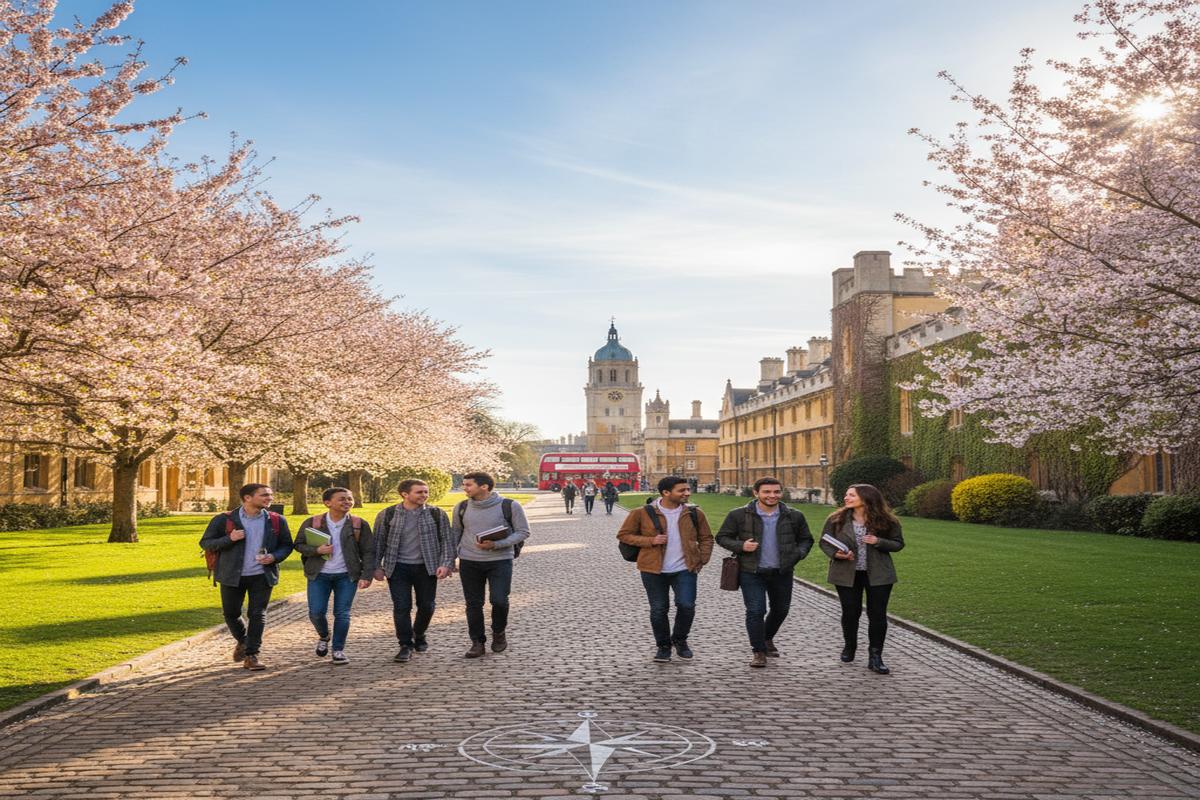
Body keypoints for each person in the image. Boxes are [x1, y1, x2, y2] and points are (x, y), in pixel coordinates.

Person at [715, 477, 814, 668]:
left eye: (776, 492)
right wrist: (741, 545)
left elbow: (806, 539)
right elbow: (722, 537)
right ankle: (758, 651)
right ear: (756, 493)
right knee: (756, 610)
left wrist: (798, 554)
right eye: (767, 492)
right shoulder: (739, 515)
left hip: (782, 571)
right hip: (751, 571)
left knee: (781, 610)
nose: (772, 496)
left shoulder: (794, 515)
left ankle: (767, 637)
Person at [617, 475, 713, 663]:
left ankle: (680, 639)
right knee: (659, 609)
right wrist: (650, 540)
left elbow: (707, 537)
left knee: (687, 606)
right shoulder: (641, 513)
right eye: (682, 490)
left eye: (687, 489)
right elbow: (624, 535)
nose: (687, 493)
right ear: (666, 493)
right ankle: (663, 646)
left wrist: (702, 559)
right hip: (653, 569)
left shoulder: (694, 513)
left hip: (685, 568)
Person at [199, 484, 293, 671]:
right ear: (247, 498)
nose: (269, 498)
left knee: (257, 614)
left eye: (270, 494)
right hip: (231, 574)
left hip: (262, 574)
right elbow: (206, 542)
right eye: (264, 495)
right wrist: (230, 539)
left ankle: (252, 655)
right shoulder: (223, 520)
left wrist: (274, 557)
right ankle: (244, 641)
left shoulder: (276, 520)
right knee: (231, 614)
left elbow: (286, 545)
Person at [817, 483, 905, 674]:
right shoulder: (836, 519)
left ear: (866, 498)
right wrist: (836, 554)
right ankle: (850, 646)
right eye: (846, 494)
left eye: (851, 495)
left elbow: (898, 544)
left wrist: (879, 541)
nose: (846, 498)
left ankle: (875, 656)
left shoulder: (887, 520)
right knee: (850, 612)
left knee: (878, 615)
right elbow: (824, 542)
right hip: (846, 573)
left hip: (879, 574)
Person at [373, 478, 455, 662]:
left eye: (426, 492)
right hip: (397, 568)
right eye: (420, 492)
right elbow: (378, 543)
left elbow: (447, 541)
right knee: (401, 607)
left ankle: (419, 634)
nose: (424, 495)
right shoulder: (387, 514)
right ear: (405, 494)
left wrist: (445, 564)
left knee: (427, 606)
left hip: (427, 567)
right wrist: (376, 567)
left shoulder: (437, 514)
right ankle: (405, 645)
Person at [453, 471, 531, 658]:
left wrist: (497, 544)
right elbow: (454, 534)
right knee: (473, 604)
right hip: (469, 562)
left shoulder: (510, 505)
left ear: (484, 487)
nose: (464, 488)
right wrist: (450, 560)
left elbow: (523, 532)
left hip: (500, 561)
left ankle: (498, 633)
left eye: (468, 485)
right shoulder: (461, 507)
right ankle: (477, 642)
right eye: (464, 484)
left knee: (499, 600)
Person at [293, 487, 375, 665]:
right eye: (342, 499)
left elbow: (369, 552)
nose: (347, 502)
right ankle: (324, 636)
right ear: (328, 503)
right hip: (319, 575)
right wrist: (317, 550)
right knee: (316, 612)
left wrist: (366, 575)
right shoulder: (313, 522)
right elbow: (298, 544)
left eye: (349, 499)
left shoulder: (358, 524)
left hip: (347, 575)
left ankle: (338, 650)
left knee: (342, 613)